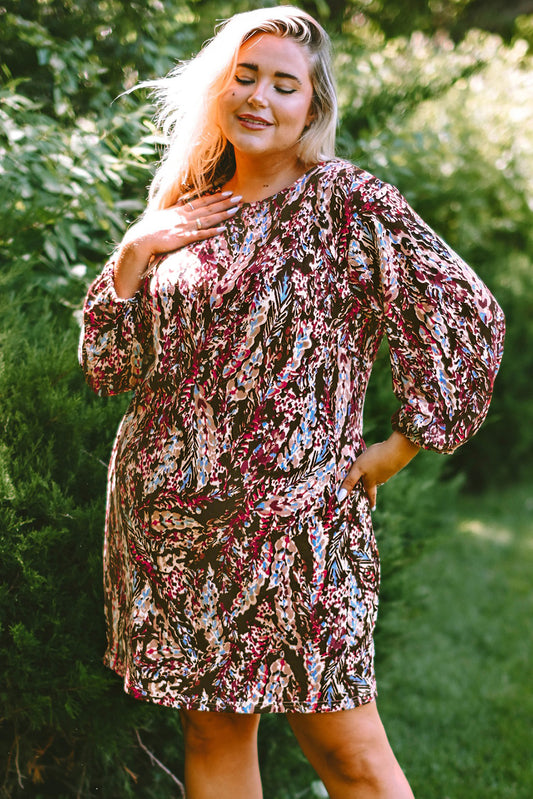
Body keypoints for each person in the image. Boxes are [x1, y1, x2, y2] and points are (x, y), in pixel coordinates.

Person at [79, 6, 505, 798]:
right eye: (245, 77)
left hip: (301, 523)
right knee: (210, 728)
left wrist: (406, 440)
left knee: (350, 754)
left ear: (313, 107)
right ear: (219, 87)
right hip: (170, 520)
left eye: (284, 84)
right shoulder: (187, 204)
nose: (259, 98)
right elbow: (111, 370)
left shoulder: (347, 203)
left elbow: (461, 307)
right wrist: (136, 251)